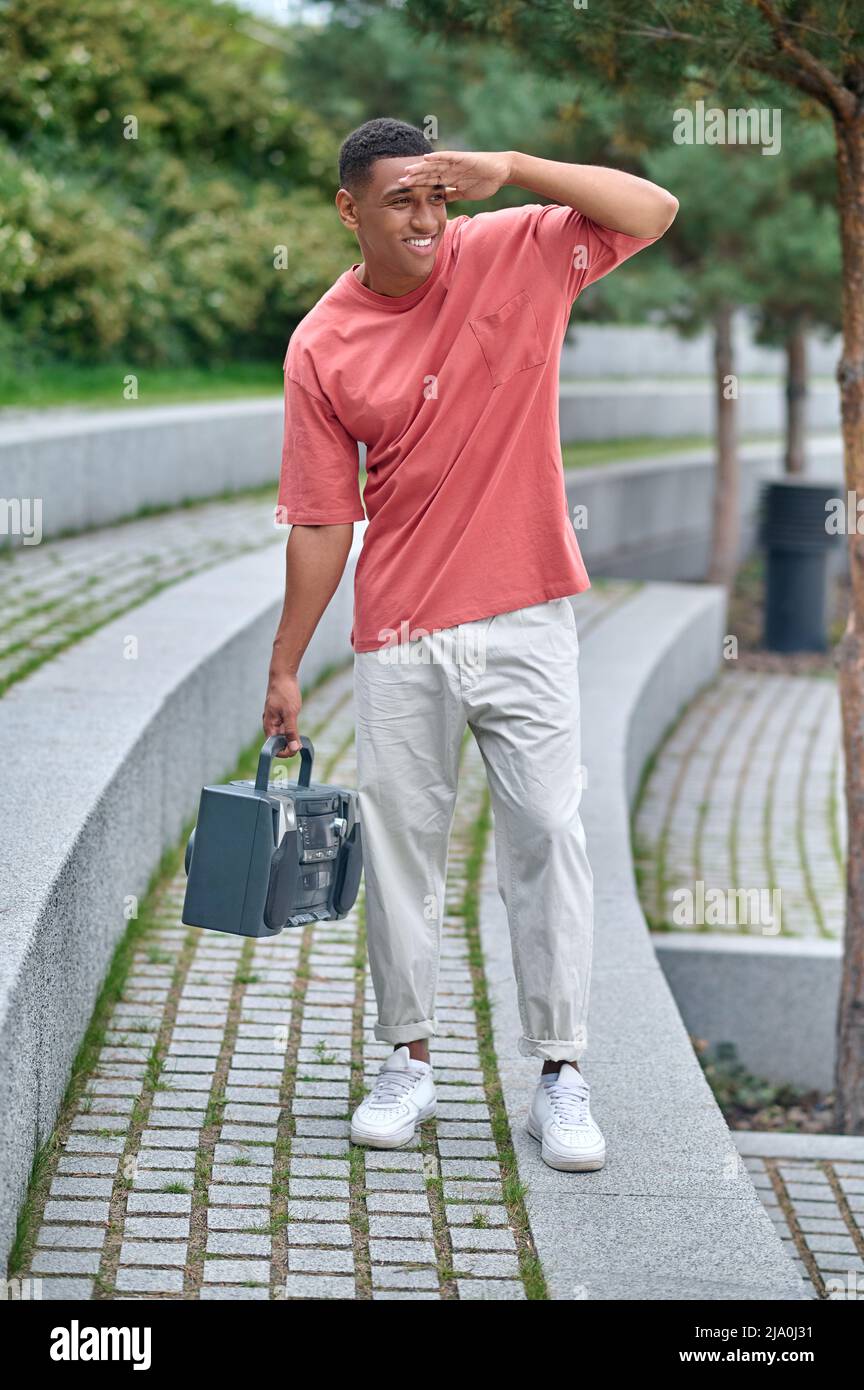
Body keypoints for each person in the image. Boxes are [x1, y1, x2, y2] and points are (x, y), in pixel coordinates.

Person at [263, 117, 677, 1171]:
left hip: (529, 609)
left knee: (550, 831)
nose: (426, 217)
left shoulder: (517, 246)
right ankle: (405, 1059)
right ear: (348, 209)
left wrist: (513, 171)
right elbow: (321, 519)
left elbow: (655, 210)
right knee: (404, 855)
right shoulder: (322, 343)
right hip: (399, 631)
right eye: (400, 198)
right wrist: (284, 664)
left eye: (438, 194)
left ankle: (561, 1073)